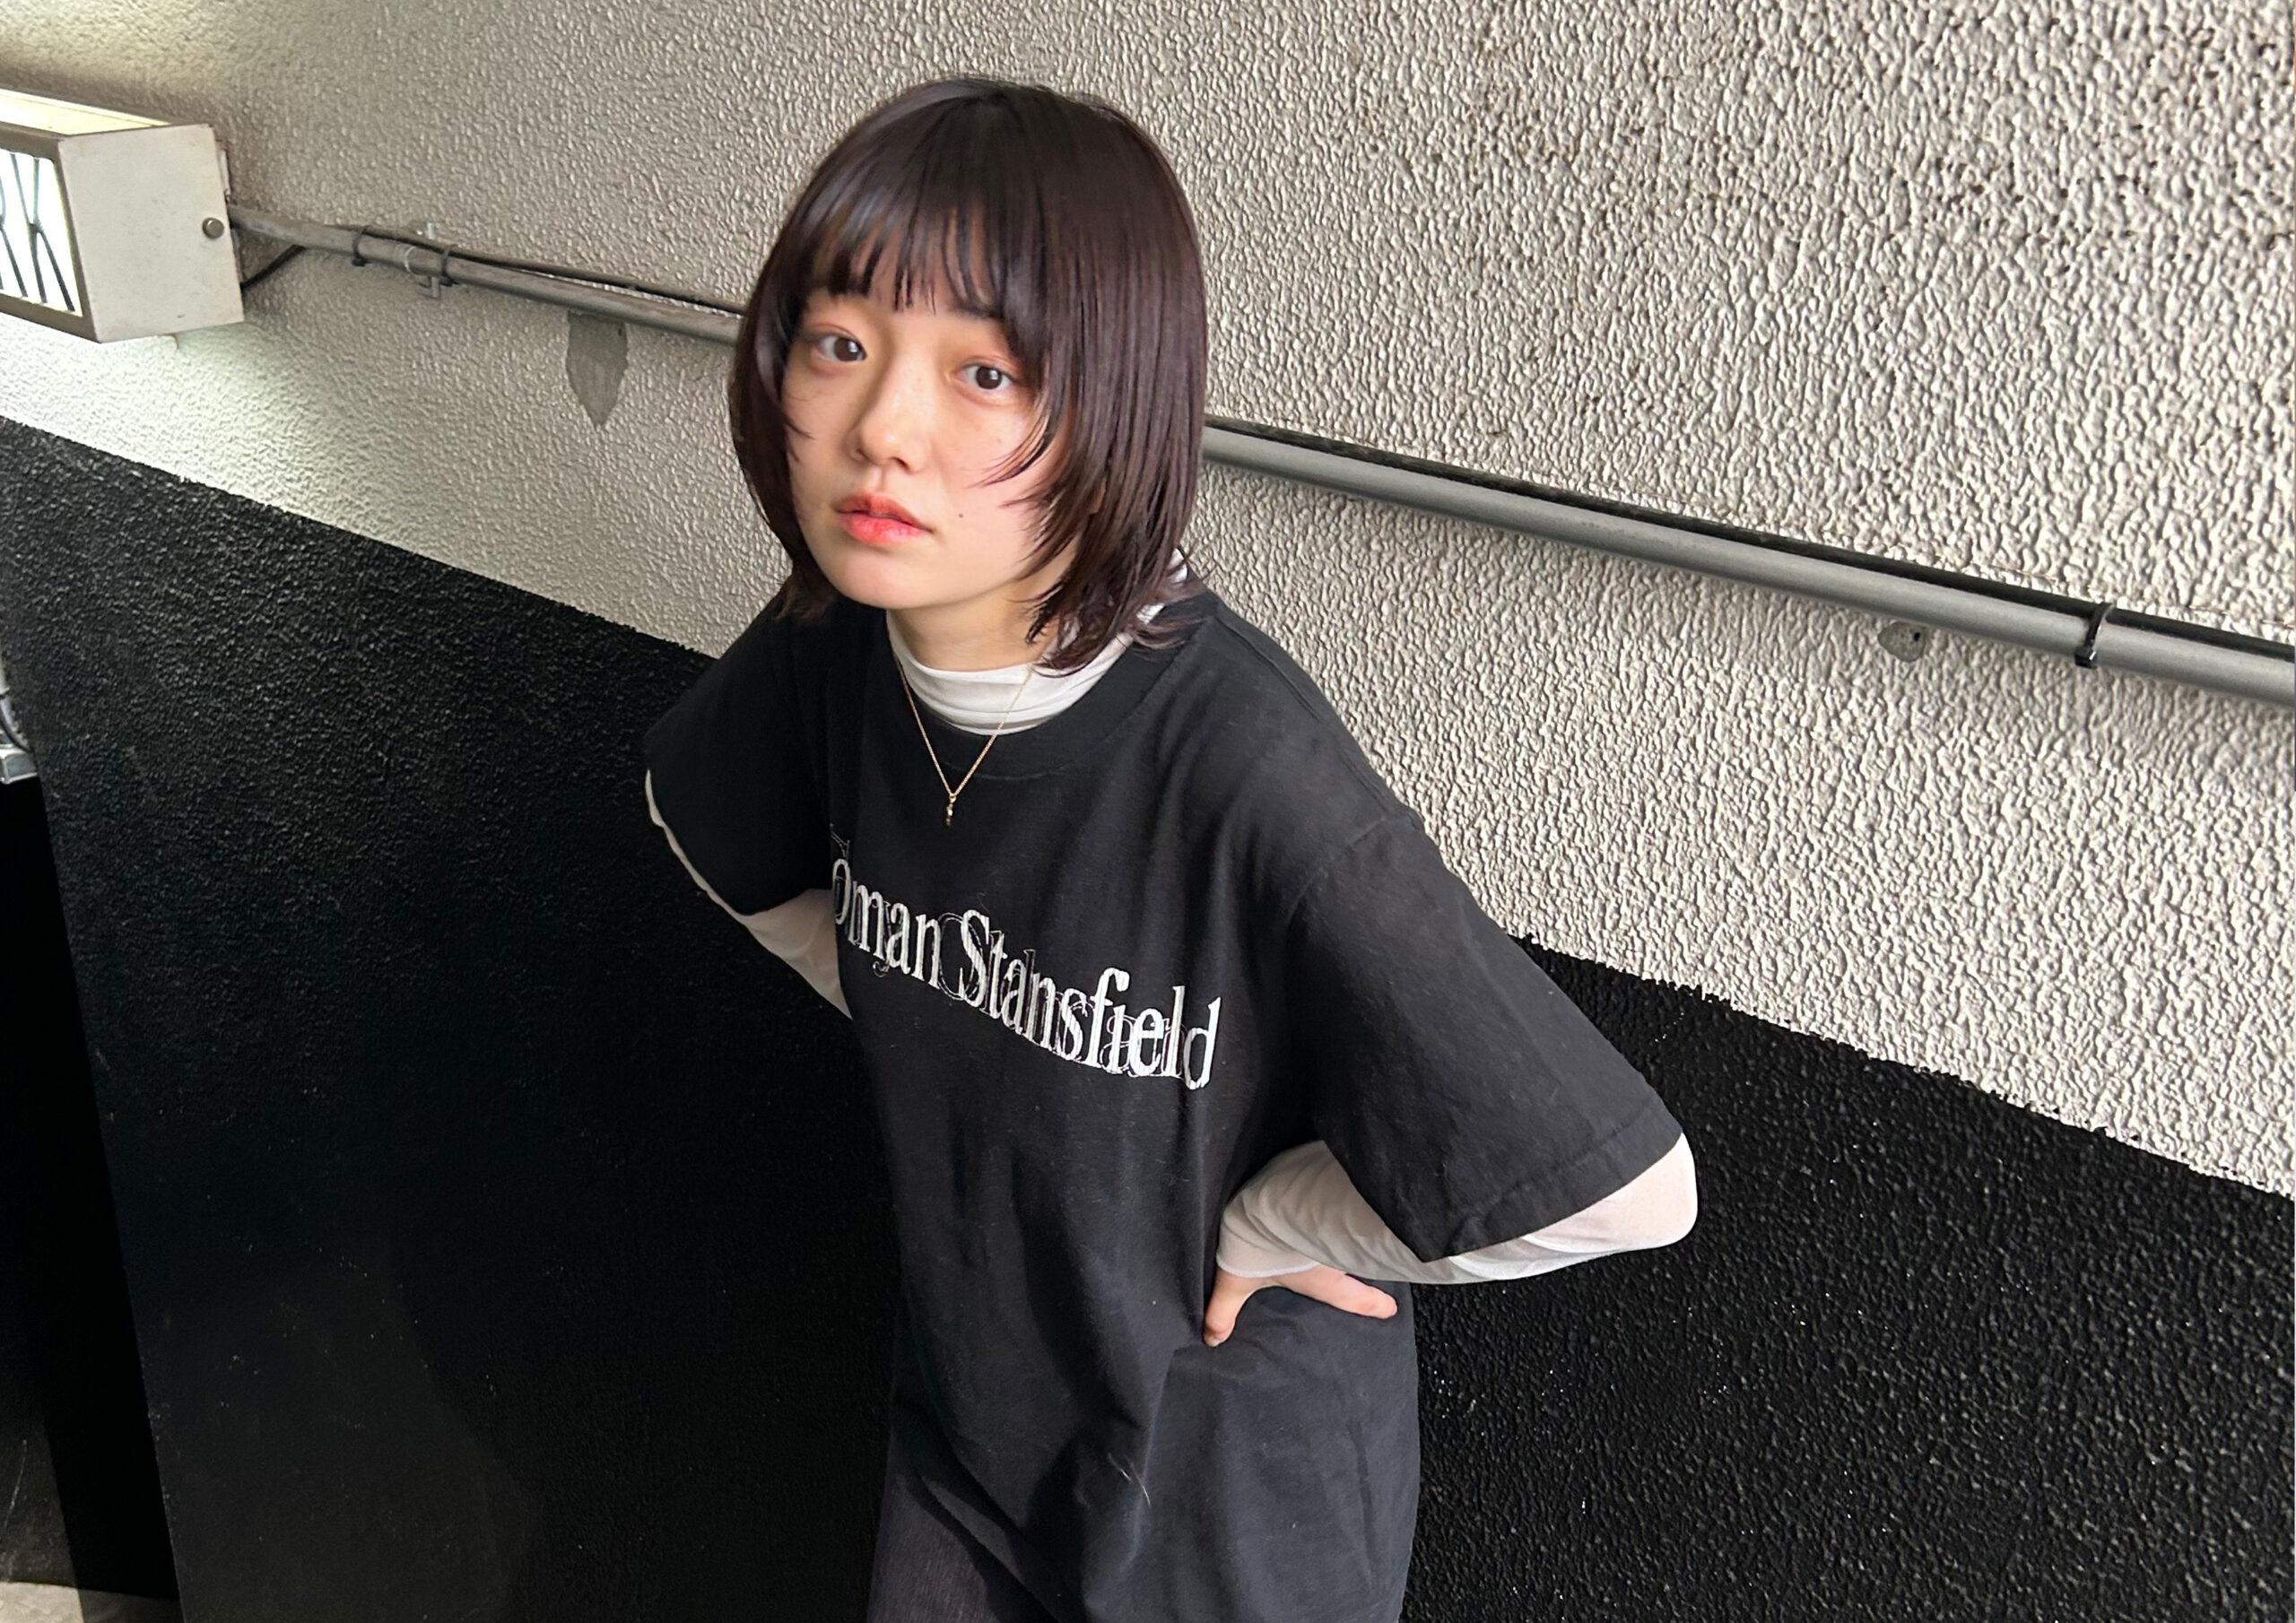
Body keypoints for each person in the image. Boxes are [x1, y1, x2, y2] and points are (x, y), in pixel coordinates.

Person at [642, 76, 1697, 1623]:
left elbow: (1623, 1188)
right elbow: (709, 828)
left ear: (1114, 401)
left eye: (985, 372)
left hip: (1230, 1488)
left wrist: (1275, 1217)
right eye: (841, 343)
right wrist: (922, 1012)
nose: (884, 431)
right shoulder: (839, 640)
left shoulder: (1239, 759)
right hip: (975, 1430)